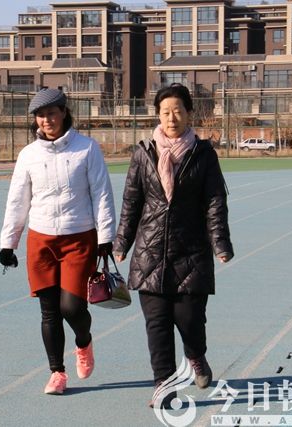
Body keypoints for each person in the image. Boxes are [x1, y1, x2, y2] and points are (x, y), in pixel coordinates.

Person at [112, 84, 233, 404]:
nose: (171, 118)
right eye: (165, 112)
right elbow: (131, 201)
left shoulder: (203, 154)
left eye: (178, 111)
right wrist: (121, 241)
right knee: (157, 323)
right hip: (150, 251)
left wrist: (220, 242)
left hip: (191, 251)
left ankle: (196, 355)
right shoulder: (143, 153)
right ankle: (164, 383)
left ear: (189, 113)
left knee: (189, 319)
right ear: (157, 115)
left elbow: (214, 202)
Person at [0, 88, 116, 395]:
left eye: (51, 113)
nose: (46, 120)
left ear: (64, 112)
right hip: (41, 240)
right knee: (49, 311)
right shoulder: (28, 155)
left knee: (72, 307)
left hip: (79, 237)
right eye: (40, 115)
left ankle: (83, 342)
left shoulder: (86, 149)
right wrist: (8, 243)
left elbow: (102, 194)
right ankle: (57, 373)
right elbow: (17, 200)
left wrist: (106, 236)